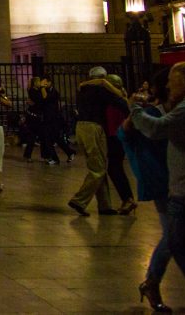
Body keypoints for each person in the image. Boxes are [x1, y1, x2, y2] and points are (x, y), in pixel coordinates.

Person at [128, 61, 185, 313]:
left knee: (180, 245)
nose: (168, 85)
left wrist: (134, 107)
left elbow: (155, 130)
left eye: (172, 81)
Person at [119, 68, 172, 313]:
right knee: (175, 235)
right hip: (166, 181)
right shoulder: (151, 113)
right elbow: (126, 134)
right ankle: (153, 281)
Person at [68, 67, 130, 216]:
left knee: (98, 164)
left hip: (81, 127)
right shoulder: (100, 90)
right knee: (98, 170)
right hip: (94, 127)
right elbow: (122, 103)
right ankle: (79, 200)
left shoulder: (83, 90)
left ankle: (105, 205)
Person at [104, 74, 138, 214]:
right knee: (115, 167)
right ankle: (127, 198)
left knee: (114, 168)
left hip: (114, 136)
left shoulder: (114, 100)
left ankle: (127, 199)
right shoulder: (122, 98)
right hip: (118, 136)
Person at [30, 76, 74, 165]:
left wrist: (42, 88)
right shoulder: (42, 91)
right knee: (50, 138)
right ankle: (65, 154)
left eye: (45, 83)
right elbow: (38, 100)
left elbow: (45, 98)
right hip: (45, 119)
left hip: (54, 119)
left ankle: (66, 154)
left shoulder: (54, 92)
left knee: (54, 138)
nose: (43, 84)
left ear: (50, 83)